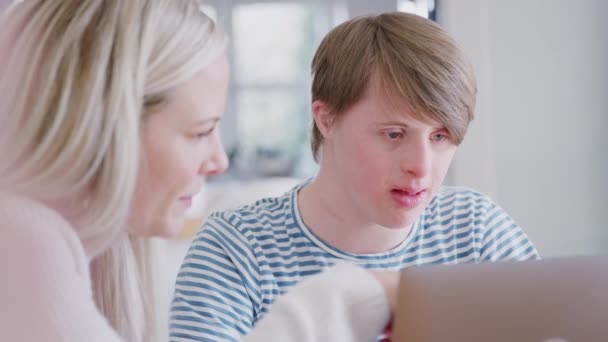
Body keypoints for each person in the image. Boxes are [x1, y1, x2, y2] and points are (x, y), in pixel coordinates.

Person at [0, 1, 398, 342]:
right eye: (200, 132)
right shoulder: (23, 239)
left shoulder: (94, 256)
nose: (219, 161)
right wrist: (357, 292)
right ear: (105, 127)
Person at [170, 11, 540, 342]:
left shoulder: (477, 232)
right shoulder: (236, 251)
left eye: (440, 137)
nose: (422, 167)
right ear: (326, 119)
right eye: (394, 134)